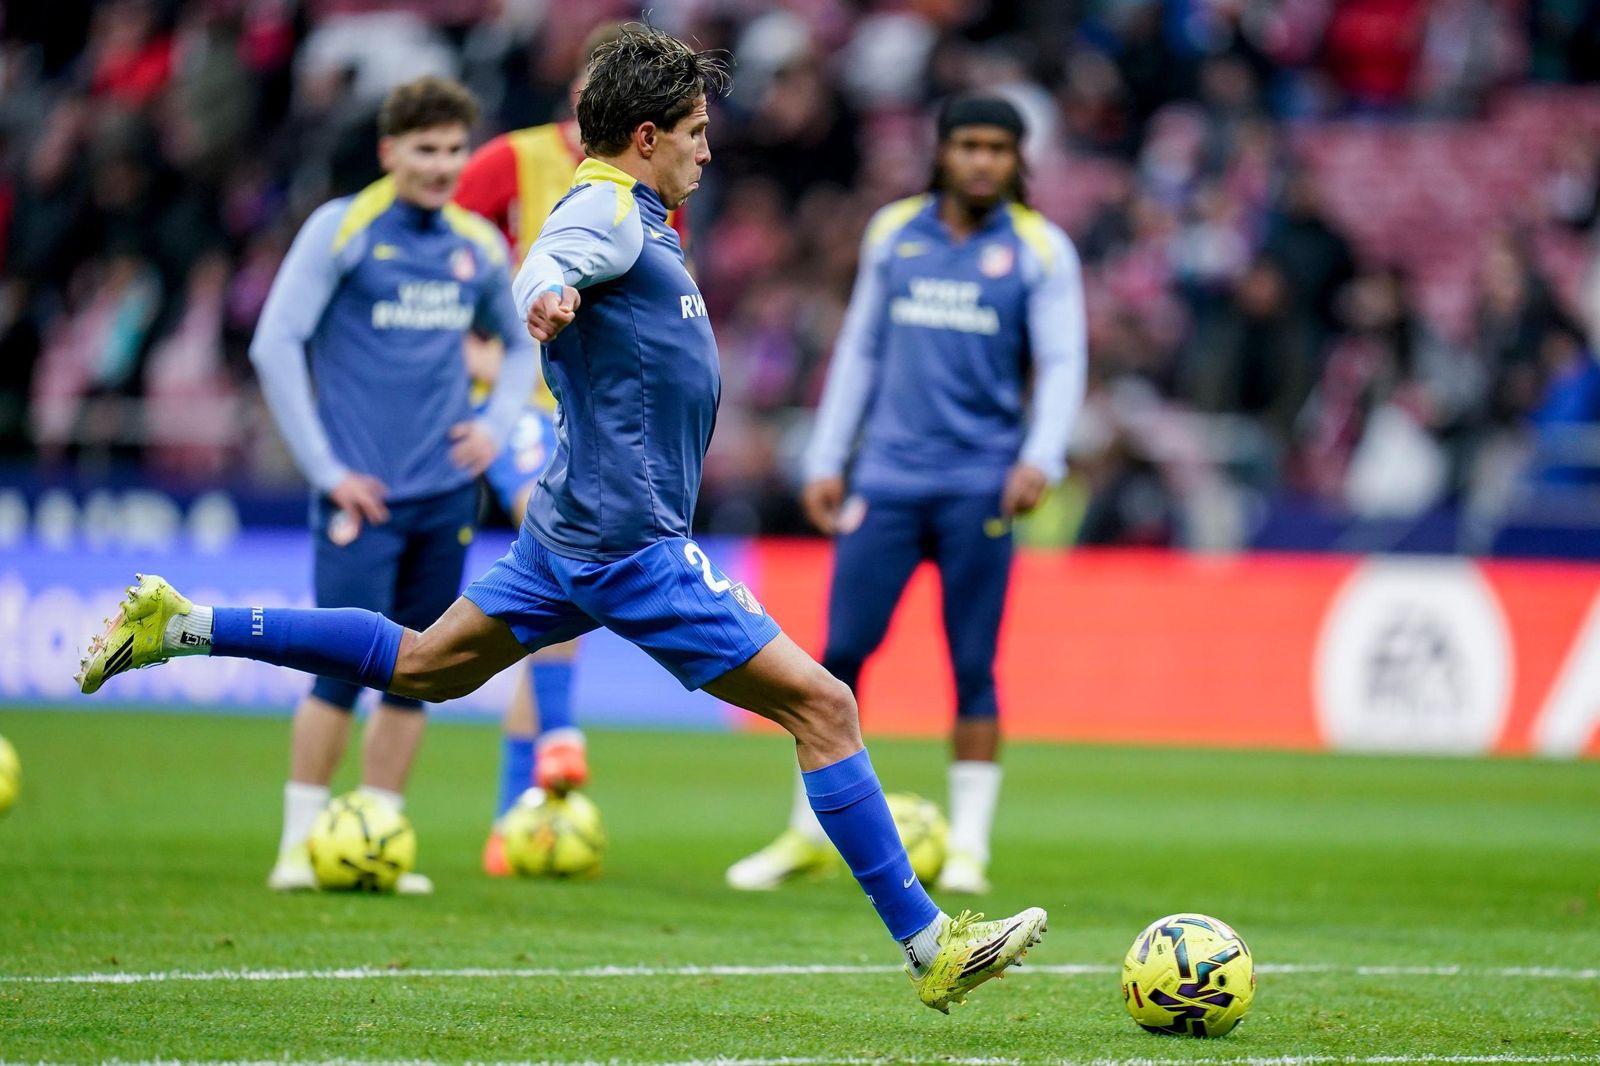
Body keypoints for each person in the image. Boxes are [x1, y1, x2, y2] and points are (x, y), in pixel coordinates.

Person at [76, 25, 1046, 1013]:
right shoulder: (609, 209)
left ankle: (183, 625)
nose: (708, 150)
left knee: (421, 664)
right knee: (826, 706)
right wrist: (544, 297)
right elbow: (551, 257)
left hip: (569, 530)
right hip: (630, 543)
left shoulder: (645, 213)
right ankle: (928, 942)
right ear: (643, 135)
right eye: (696, 132)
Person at [726, 94, 1086, 897]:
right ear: (943, 151)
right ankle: (804, 832)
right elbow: (860, 347)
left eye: (998, 147)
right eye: (969, 145)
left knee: (973, 665)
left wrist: (1043, 456)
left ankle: (969, 852)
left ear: (1018, 157)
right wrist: (827, 456)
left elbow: (1063, 362)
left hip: (979, 483)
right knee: (839, 656)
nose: (983, 161)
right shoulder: (895, 232)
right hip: (886, 479)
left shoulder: (1039, 248)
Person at [242, 75, 537, 893]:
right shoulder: (342, 229)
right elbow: (276, 344)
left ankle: (377, 832)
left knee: (421, 668)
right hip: (360, 497)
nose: (442, 166)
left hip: (445, 495)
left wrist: (496, 420)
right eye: (426, 149)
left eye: (453, 151)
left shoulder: (475, 245)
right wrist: (327, 471)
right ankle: (300, 844)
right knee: (336, 669)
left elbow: (519, 348)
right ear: (389, 152)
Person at [452, 21, 687, 877]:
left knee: (553, 598)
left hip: (589, 412)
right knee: (544, 529)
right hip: (509, 395)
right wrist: (478, 343)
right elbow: (431, 263)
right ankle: (557, 731)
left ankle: (514, 813)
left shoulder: (650, 187)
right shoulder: (504, 163)